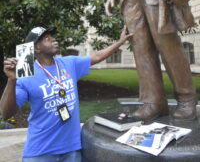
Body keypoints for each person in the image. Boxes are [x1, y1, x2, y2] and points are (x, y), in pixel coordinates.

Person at [0, 26, 132, 161]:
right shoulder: (26, 75)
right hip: (41, 151)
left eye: (52, 37)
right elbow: (6, 113)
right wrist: (12, 80)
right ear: (36, 48)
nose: (53, 40)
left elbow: (97, 56)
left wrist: (120, 42)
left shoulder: (69, 63)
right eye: (47, 39)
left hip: (72, 149)